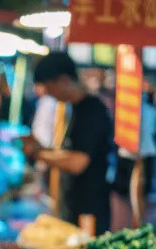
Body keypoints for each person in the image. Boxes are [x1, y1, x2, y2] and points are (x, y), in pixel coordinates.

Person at [25, 52, 114, 234]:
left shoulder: (92, 111)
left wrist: (37, 154)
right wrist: (42, 149)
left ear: (64, 80)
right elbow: (70, 151)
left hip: (90, 212)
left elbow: (77, 163)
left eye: (49, 87)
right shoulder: (74, 109)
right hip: (76, 206)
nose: (48, 93)